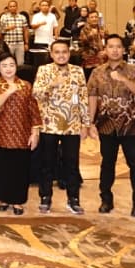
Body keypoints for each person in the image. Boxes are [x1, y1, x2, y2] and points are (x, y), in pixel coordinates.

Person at [86, 34, 135, 215]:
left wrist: (124, 80)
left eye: (118, 47)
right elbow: (92, 97)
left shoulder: (133, 71)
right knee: (107, 164)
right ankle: (106, 200)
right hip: (106, 125)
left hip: (131, 125)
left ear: (124, 50)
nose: (114, 50)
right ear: (105, 50)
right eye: (111, 46)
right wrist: (89, 122)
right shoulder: (97, 72)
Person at [32, 40, 89, 214]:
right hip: (49, 124)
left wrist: (85, 123)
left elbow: (83, 98)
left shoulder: (77, 71)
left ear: (69, 53)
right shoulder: (44, 70)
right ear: (51, 54)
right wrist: (52, 84)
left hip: (72, 125)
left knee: (72, 164)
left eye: (64, 52)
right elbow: (36, 94)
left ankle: (73, 199)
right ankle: (45, 197)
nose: (61, 55)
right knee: (47, 163)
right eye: (57, 52)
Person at [0, 53, 42, 215]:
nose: (8, 69)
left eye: (11, 65)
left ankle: (18, 201)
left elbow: (33, 110)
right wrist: (8, 92)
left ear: (16, 66)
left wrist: (35, 132)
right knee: (2, 168)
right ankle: (3, 198)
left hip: (21, 133)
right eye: (4, 66)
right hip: (0, 134)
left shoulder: (26, 85)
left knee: (19, 168)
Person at [0, 0, 29, 66]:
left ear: (17, 7)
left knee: (20, 63)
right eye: (11, 6)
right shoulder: (4, 17)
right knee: (8, 62)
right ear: (8, 7)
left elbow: (25, 30)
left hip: (20, 43)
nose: (12, 8)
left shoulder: (22, 17)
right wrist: (8, 28)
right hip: (8, 43)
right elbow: (0, 30)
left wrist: (26, 43)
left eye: (14, 6)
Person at [29, 0, 58, 65]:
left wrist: (56, 36)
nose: (45, 7)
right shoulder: (36, 16)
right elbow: (33, 26)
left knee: (50, 60)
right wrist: (40, 24)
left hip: (50, 41)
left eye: (46, 5)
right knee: (41, 61)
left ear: (49, 7)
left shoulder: (52, 16)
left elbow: (55, 26)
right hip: (39, 41)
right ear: (40, 7)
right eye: (43, 5)